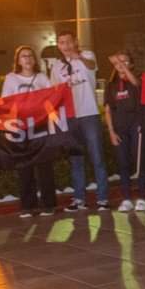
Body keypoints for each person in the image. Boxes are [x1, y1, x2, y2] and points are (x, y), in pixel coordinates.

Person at [50, 30, 109, 211]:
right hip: (69, 117)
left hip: (89, 114)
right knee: (76, 159)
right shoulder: (56, 66)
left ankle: (103, 199)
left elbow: (92, 66)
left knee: (97, 157)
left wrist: (78, 57)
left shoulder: (87, 55)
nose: (65, 45)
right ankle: (79, 199)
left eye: (68, 41)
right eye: (61, 42)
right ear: (58, 45)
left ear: (75, 42)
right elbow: (53, 92)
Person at [3, 46, 57, 218]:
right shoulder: (11, 78)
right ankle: (28, 206)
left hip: (40, 126)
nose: (27, 58)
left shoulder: (42, 78)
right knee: (24, 167)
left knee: (44, 167)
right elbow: (5, 102)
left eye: (30, 56)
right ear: (18, 61)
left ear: (34, 59)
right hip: (21, 127)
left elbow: (52, 99)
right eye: (23, 56)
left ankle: (49, 205)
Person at [104, 52, 145, 212]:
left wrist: (122, 65)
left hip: (136, 126)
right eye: (118, 63)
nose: (121, 65)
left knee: (139, 162)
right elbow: (108, 110)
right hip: (119, 128)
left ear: (131, 65)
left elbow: (136, 84)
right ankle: (126, 198)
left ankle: (142, 197)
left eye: (125, 62)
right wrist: (111, 131)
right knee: (123, 163)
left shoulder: (138, 79)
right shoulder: (111, 85)